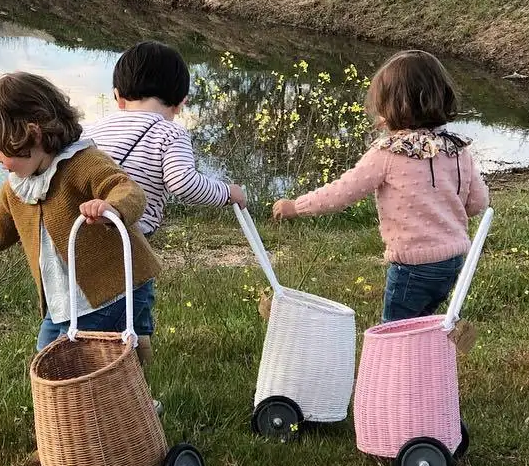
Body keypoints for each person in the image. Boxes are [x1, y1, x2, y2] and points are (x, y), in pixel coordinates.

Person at [0, 72, 160, 353]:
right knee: (47, 355)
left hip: (114, 291)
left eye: (0, 149)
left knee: (79, 361)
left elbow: (127, 189)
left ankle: (132, 369)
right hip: (64, 302)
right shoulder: (18, 188)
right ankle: (134, 363)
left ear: (32, 134)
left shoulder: (83, 163)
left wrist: (111, 207)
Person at [272, 50, 489, 323]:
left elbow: (343, 192)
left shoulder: (389, 152)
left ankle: (400, 353)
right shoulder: (456, 148)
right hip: (452, 262)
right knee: (424, 323)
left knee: (393, 333)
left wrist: (296, 207)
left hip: (411, 266)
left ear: (393, 107)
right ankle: (426, 350)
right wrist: (443, 212)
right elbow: (478, 203)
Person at [89, 40, 246, 355]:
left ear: (117, 96)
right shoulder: (170, 133)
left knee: (93, 305)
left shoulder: (90, 130)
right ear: (180, 103)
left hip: (85, 231)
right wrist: (228, 193)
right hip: (130, 239)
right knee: (135, 312)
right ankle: (136, 377)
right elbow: (183, 183)